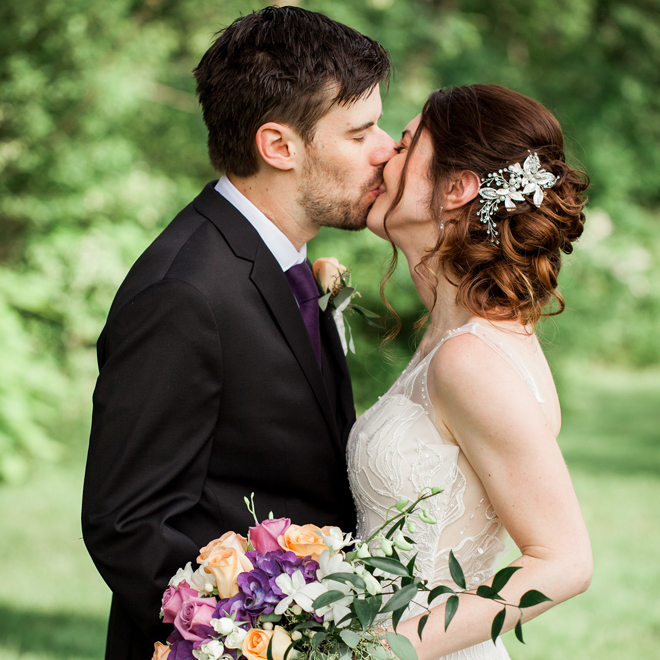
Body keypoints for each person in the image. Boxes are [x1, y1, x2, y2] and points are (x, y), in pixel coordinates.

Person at [81, 7, 396, 659]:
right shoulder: (185, 292)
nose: (387, 147)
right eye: (361, 131)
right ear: (279, 146)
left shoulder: (276, 257)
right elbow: (128, 522)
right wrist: (261, 636)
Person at [348, 84, 593, 659]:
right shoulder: (455, 337)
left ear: (457, 189)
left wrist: (380, 648)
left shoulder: (471, 358)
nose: (384, 154)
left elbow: (563, 562)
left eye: (406, 145)